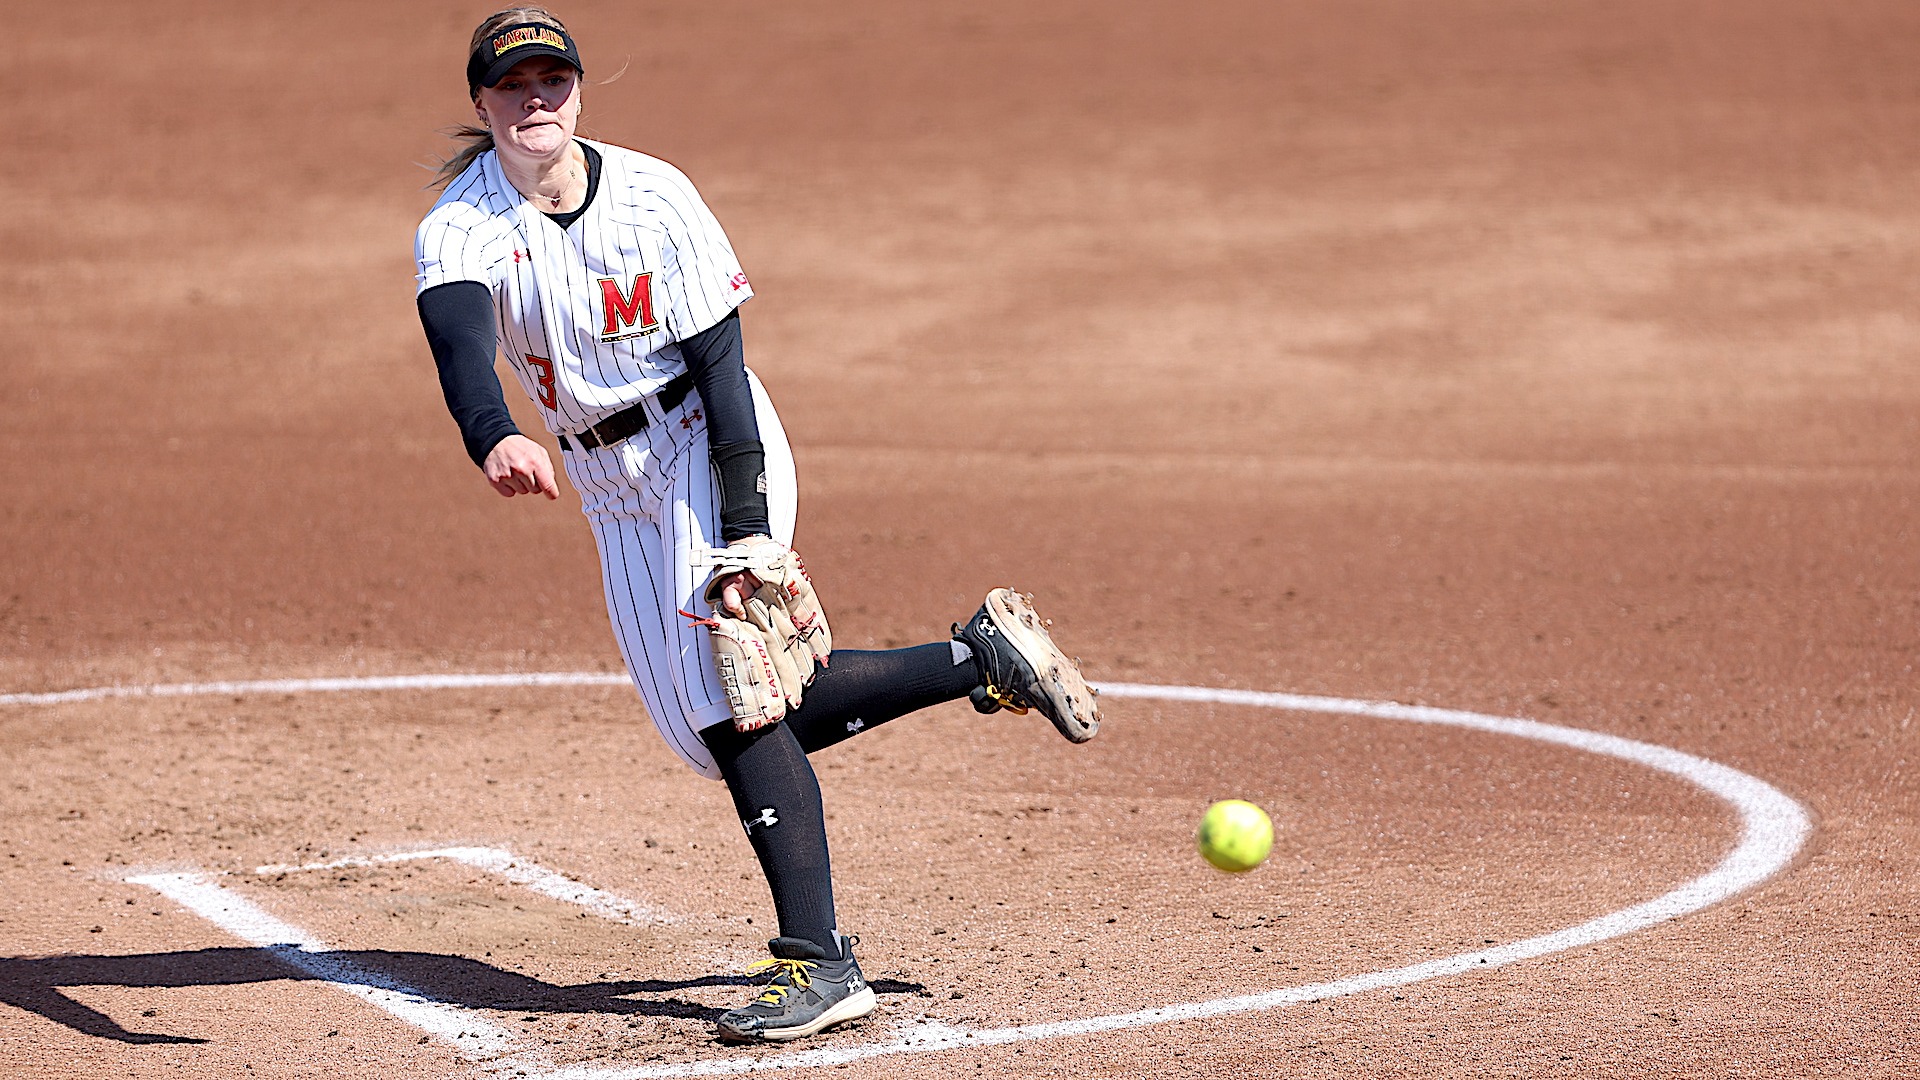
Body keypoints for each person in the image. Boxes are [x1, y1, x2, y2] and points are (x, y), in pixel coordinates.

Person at [413, 7, 1101, 1044]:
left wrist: (746, 541)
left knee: (738, 690)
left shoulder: (656, 196)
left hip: (706, 444)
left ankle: (819, 962)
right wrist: (492, 436)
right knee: (712, 728)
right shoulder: (459, 224)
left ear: (579, 91)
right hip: (610, 488)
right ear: (483, 104)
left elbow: (724, 381)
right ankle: (977, 660)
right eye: (513, 87)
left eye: (552, 81)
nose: (535, 101)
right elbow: (462, 342)